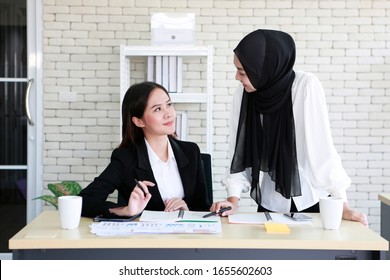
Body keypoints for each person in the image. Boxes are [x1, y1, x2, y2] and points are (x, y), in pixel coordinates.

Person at [211, 29, 368, 225]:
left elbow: (322, 149)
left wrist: (342, 204)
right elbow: (238, 151)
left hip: (312, 201)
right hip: (270, 203)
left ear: (264, 68)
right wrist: (233, 200)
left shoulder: (305, 87)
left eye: (242, 72)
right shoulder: (245, 95)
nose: (236, 77)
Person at [79, 81, 211, 218]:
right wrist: (125, 210)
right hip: (147, 238)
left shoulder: (190, 151)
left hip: (186, 237)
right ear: (139, 121)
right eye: (158, 109)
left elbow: (203, 207)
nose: (169, 114)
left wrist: (187, 210)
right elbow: (84, 202)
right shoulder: (125, 159)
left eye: (169, 105)